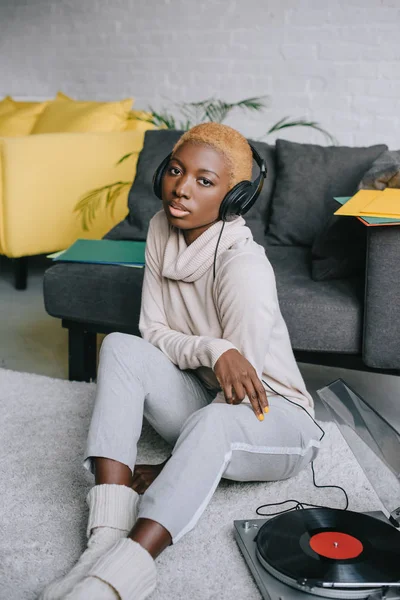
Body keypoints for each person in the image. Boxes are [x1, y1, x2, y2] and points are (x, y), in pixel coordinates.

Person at [40, 123, 321, 600]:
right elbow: (151, 330)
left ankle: (127, 571)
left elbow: (238, 396)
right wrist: (215, 350)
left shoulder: (244, 269)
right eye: (175, 171)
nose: (182, 188)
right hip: (205, 391)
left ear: (234, 198)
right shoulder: (159, 229)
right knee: (121, 347)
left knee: (214, 423)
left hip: (273, 415)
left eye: (204, 181)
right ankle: (105, 536)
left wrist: (174, 465)